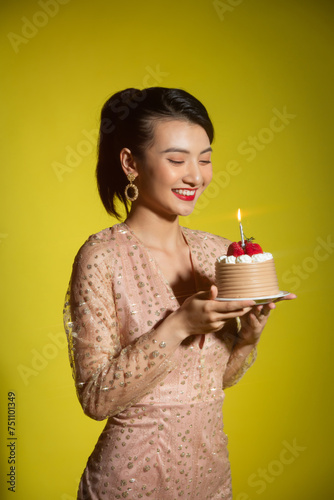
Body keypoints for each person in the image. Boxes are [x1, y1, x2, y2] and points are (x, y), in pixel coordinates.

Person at [63, 87, 295, 500]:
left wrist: (248, 336)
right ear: (130, 163)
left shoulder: (217, 252)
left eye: (205, 159)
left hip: (210, 478)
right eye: (176, 160)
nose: (196, 175)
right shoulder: (101, 258)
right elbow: (96, 399)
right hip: (129, 482)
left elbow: (210, 382)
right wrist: (179, 325)